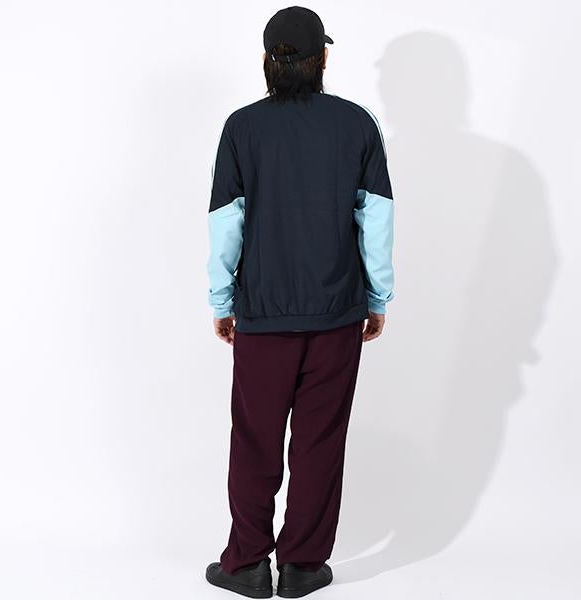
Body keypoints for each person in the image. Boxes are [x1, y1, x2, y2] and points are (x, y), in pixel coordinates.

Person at [205, 6, 395, 598]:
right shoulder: (357, 125)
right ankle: (303, 566)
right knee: (320, 440)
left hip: (262, 313)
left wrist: (222, 300)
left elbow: (226, 223)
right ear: (323, 59)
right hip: (337, 311)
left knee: (254, 439)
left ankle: (246, 564)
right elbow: (377, 221)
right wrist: (378, 296)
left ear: (268, 60)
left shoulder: (242, 128)